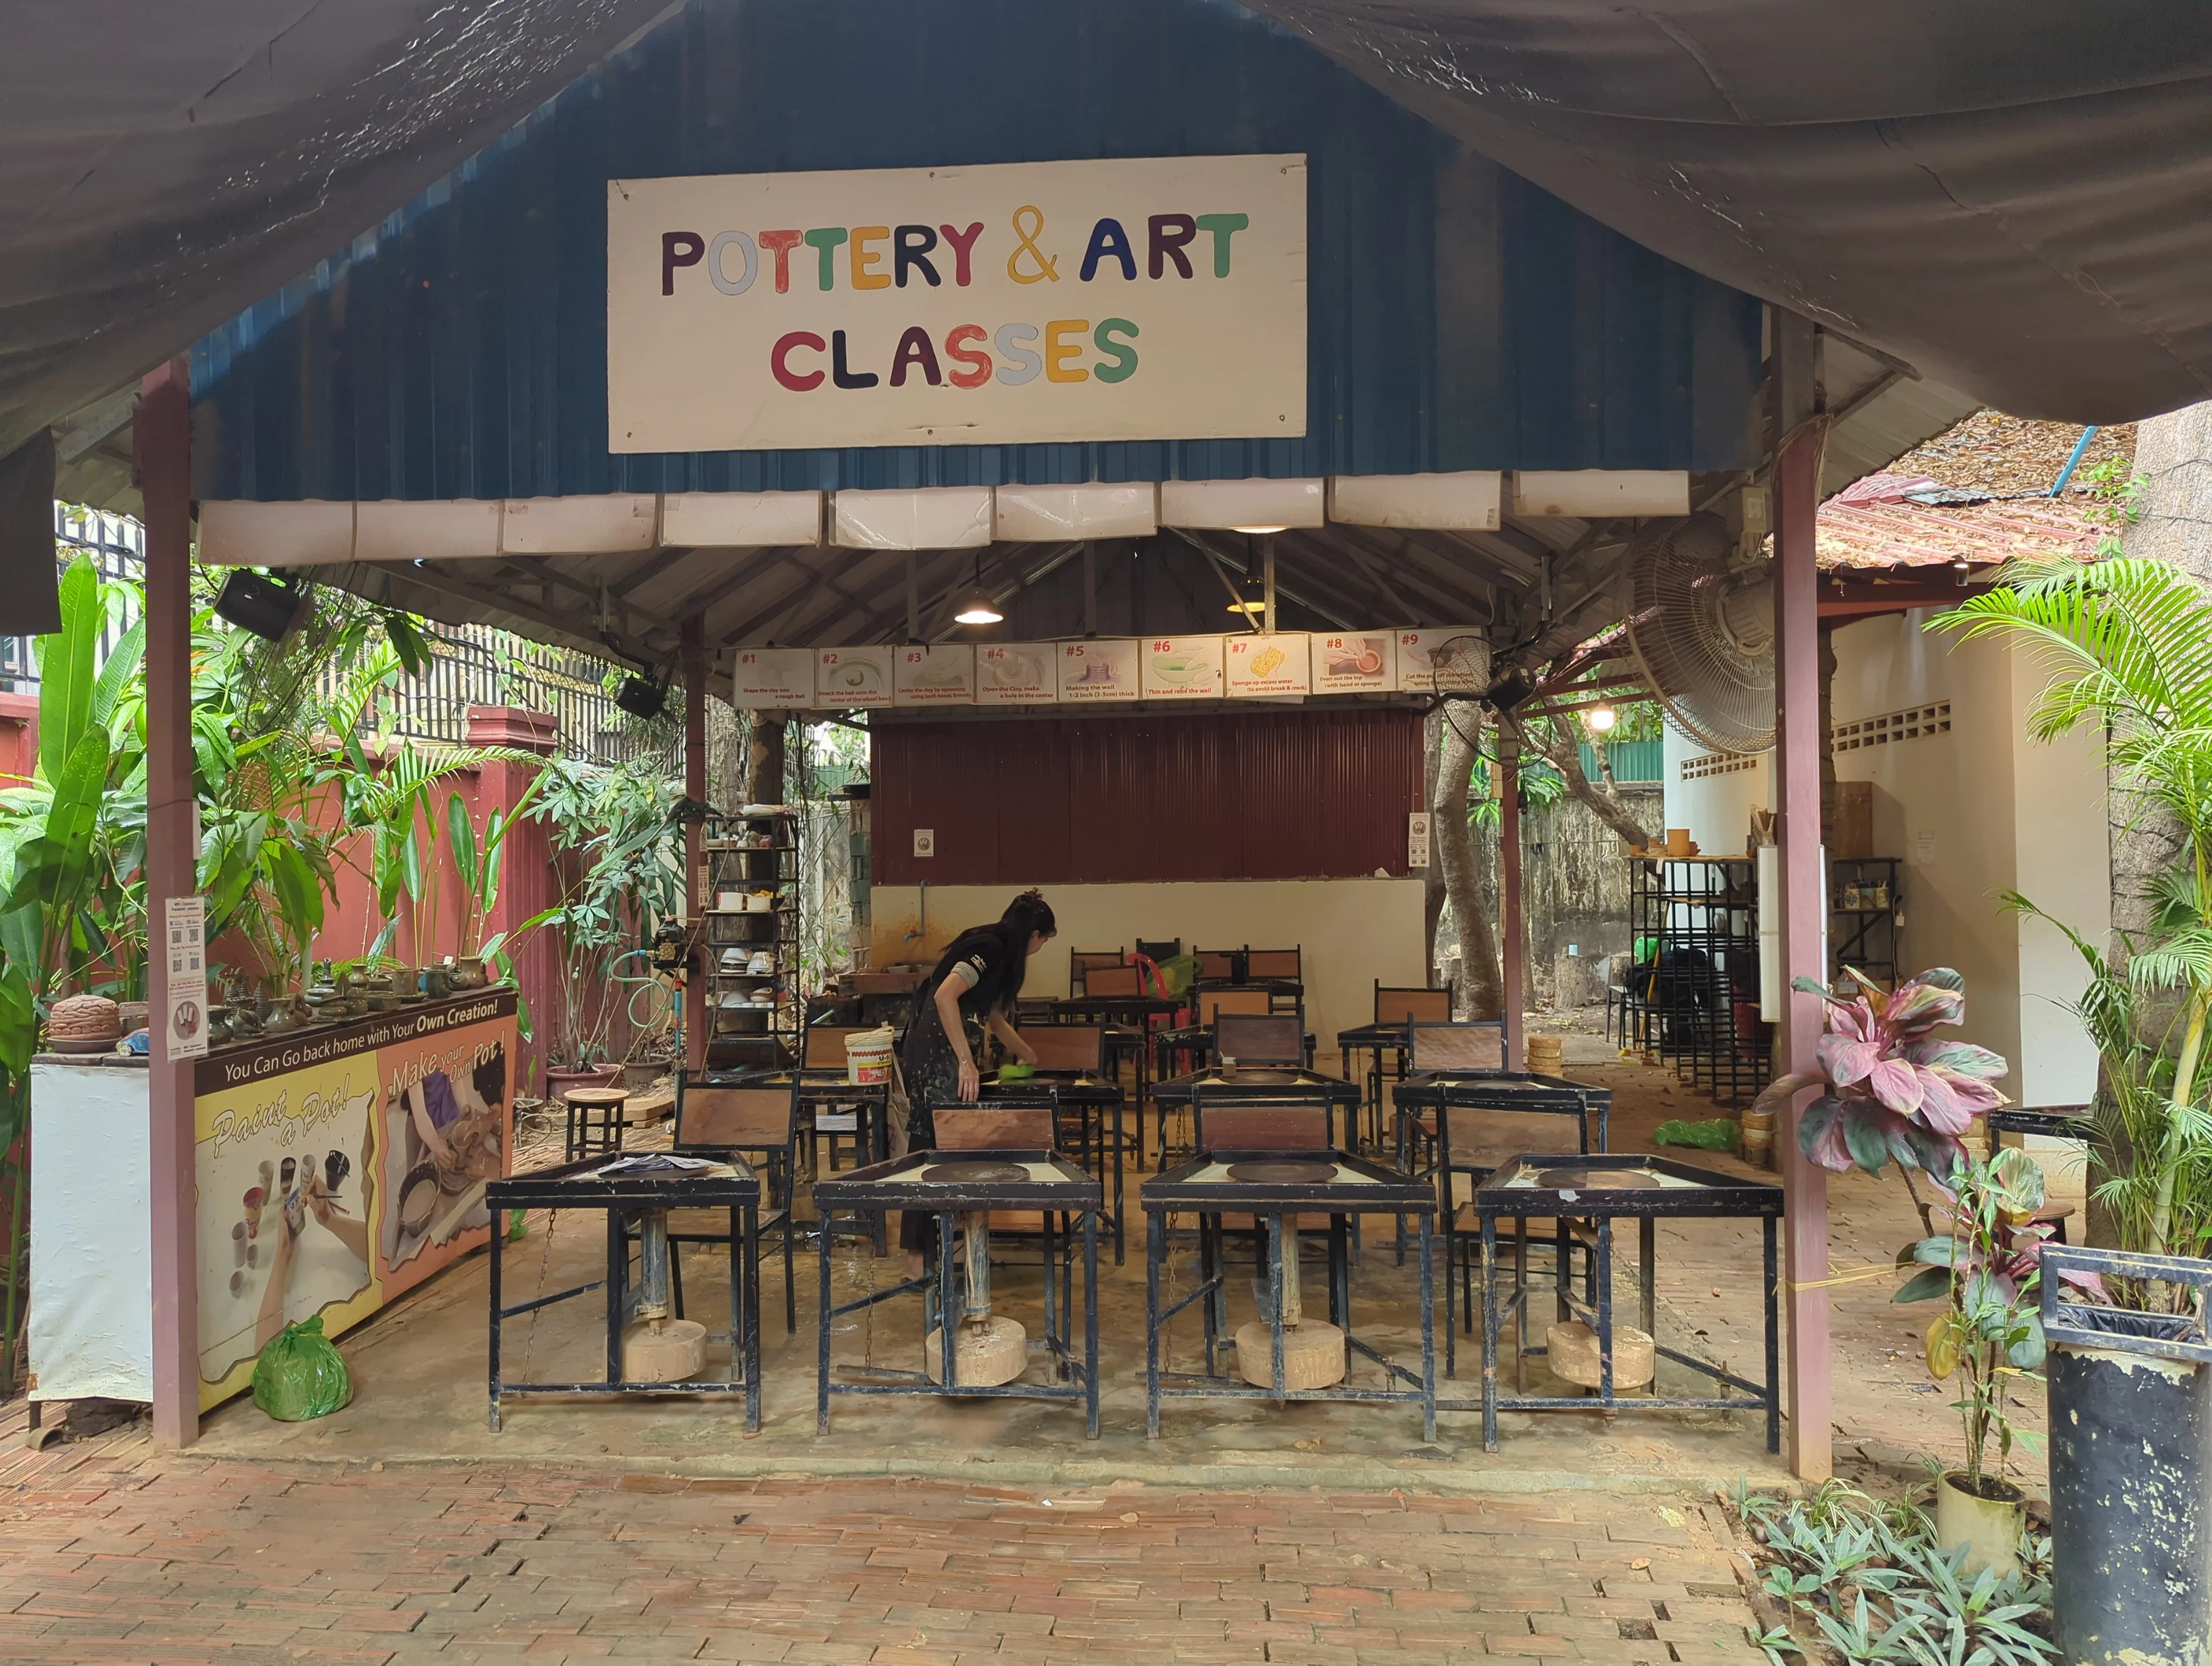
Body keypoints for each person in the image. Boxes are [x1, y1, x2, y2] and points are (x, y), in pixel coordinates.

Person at [894, 889, 1057, 1277]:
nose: (1041, 947)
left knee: (955, 1147)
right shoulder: (991, 947)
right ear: (1035, 935)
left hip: (947, 1049)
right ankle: (917, 1261)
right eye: (1045, 940)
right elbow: (947, 996)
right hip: (936, 1051)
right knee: (928, 1149)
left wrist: (1029, 1055)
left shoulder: (1001, 956)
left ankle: (951, 1244)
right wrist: (965, 1062)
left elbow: (995, 1019)